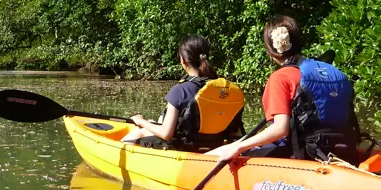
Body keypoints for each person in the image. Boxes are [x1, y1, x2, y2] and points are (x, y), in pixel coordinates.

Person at [205, 16, 360, 164]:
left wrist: (238, 147)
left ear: (271, 51)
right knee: (238, 143)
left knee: (224, 151)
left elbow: (280, 129)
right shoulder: (336, 73)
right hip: (345, 150)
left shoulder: (280, 77)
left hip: (304, 154)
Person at [122, 35, 244, 151]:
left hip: (183, 147)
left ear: (183, 60)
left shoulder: (180, 90)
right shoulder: (225, 90)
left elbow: (166, 134)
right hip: (215, 145)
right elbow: (235, 132)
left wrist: (141, 121)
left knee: (140, 132)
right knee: (156, 122)